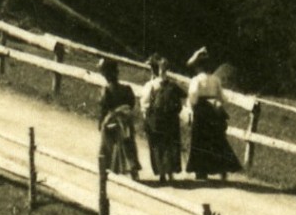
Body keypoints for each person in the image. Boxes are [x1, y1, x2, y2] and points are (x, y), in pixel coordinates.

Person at [185, 47, 242, 180]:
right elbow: (222, 97)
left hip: (201, 111)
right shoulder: (215, 80)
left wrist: (191, 107)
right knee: (216, 140)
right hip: (213, 112)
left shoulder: (196, 80)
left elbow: (193, 96)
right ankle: (221, 168)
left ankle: (201, 170)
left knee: (200, 141)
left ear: (198, 67)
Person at [141, 54, 185, 184]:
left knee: (158, 146)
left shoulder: (151, 85)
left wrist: (146, 117)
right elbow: (184, 94)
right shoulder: (172, 85)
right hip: (171, 119)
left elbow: (145, 103)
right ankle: (171, 173)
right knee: (170, 145)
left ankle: (161, 174)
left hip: (156, 119)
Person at [97, 57, 141, 180]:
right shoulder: (126, 89)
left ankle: (107, 167)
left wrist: (101, 122)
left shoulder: (106, 90)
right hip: (125, 120)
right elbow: (131, 104)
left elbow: (103, 108)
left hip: (112, 120)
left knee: (106, 143)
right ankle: (133, 169)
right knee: (128, 143)